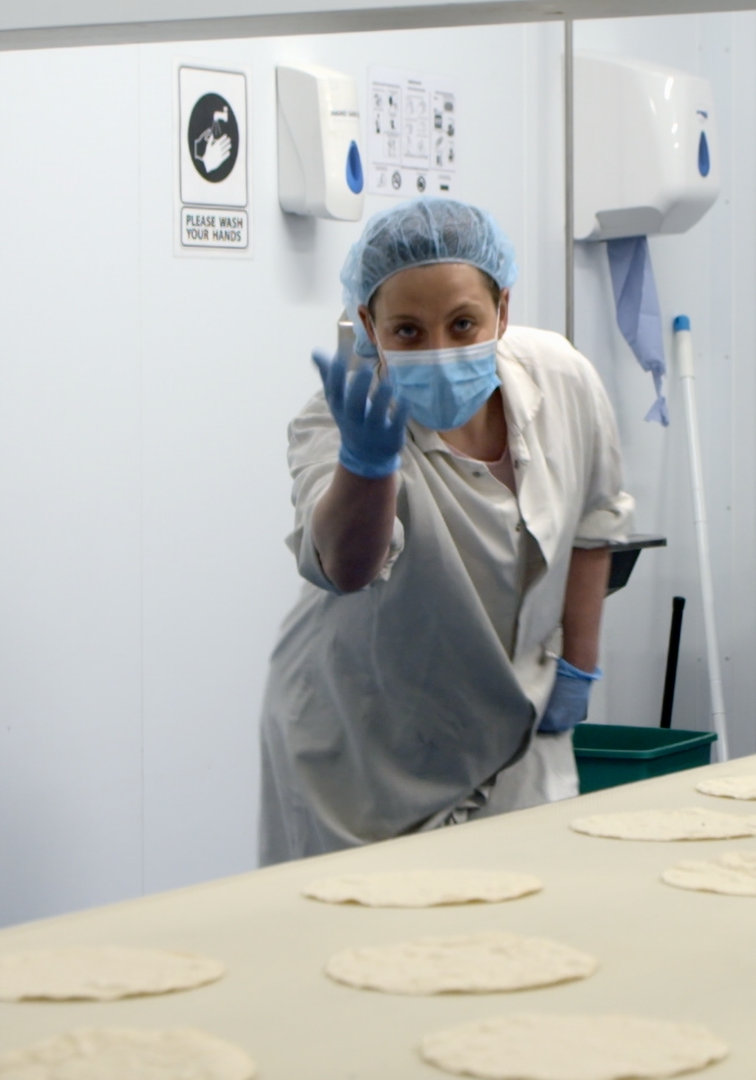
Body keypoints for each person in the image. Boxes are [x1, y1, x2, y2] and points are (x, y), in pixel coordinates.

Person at [259, 198, 635, 864]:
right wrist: (367, 468)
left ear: (503, 311)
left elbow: (593, 522)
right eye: (407, 331)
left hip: (515, 726)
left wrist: (578, 665)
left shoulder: (562, 377)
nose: (440, 350)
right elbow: (345, 567)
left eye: (464, 324)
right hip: (369, 747)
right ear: (369, 325)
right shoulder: (340, 420)